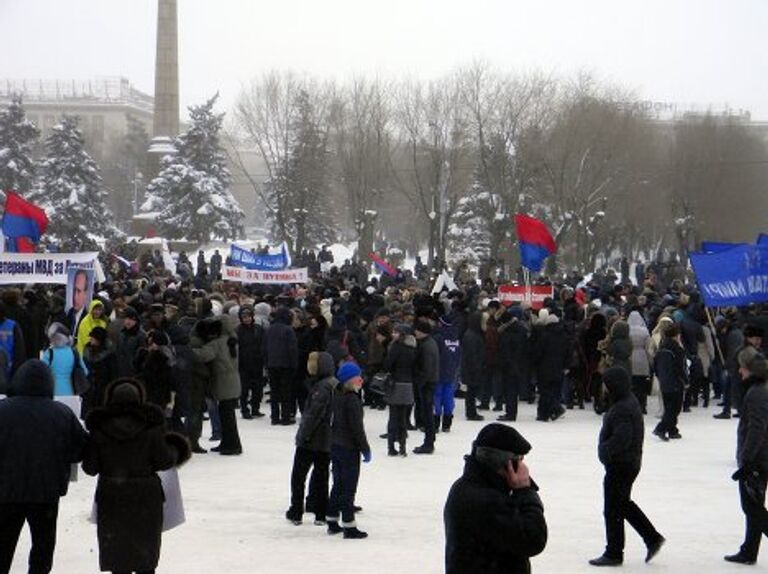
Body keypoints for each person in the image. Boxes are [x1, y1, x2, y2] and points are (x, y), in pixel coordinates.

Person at [83, 378, 191, 574]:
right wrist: (175, 448)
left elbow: (90, 468)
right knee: (145, 556)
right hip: (146, 499)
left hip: (111, 497)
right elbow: (164, 462)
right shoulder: (151, 427)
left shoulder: (99, 429)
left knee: (117, 556)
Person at [0, 360, 88, 574]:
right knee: (42, 548)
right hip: (46, 494)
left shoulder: (2, 411)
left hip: (6, 492)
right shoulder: (62, 413)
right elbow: (80, 450)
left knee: (2, 547)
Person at [444, 423, 547, 574]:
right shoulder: (487, 500)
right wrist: (525, 491)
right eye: (519, 459)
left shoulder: (466, 486)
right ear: (507, 463)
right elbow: (533, 540)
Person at [589, 367, 665, 566]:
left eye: (606, 384)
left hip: (622, 464)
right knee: (622, 504)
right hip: (627, 462)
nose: (603, 388)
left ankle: (614, 552)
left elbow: (622, 438)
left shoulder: (623, 408)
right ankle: (652, 538)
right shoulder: (624, 402)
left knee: (613, 509)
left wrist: (605, 450)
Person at [726, 353, 768, 564]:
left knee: (753, 508)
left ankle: (749, 550)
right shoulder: (759, 390)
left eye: (743, 368)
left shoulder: (756, 393)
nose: (740, 371)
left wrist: (748, 460)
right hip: (760, 458)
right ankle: (749, 550)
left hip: (757, 461)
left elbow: (756, 429)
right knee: (754, 506)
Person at [286, 352, 336, 525]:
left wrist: (302, 435)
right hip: (326, 440)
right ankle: (320, 513)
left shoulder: (321, 387)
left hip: (312, 440)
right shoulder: (332, 384)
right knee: (321, 477)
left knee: (299, 476)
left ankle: (296, 511)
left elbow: (313, 415)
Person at [326, 362, 371, 539]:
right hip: (348, 448)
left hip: (335, 446)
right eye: (358, 377)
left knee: (337, 484)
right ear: (349, 381)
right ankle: (349, 525)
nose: (361, 380)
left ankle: (331, 519)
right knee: (348, 487)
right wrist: (365, 449)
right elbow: (357, 429)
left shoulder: (336, 395)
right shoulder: (352, 399)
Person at [193, 315, 243, 455]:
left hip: (223, 383)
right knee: (229, 416)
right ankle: (229, 443)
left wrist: (187, 349)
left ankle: (232, 446)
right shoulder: (232, 340)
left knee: (226, 417)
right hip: (233, 382)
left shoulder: (218, 343)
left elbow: (203, 355)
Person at [383, 323, 416, 456]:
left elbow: (388, 365)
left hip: (396, 383)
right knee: (403, 417)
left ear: (401, 334)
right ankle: (403, 446)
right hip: (408, 385)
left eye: (396, 332)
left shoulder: (396, 347)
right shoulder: (412, 348)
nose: (393, 334)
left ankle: (391, 447)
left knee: (393, 416)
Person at [652, 323, 687, 441]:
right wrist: (685, 380)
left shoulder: (661, 348)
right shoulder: (677, 350)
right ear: (676, 335)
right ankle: (661, 428)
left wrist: (659, 376)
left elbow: (655, 365)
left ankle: (672, 429)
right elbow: (681, 367)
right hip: (675, 382)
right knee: (674, 408)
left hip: (664, 381)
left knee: (669, 407)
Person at [265, 306, 299, 425]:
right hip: (286, 365)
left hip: (272, 364)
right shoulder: (288, 330)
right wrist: (295, 364)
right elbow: (292, 349)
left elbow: (264, 347)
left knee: (274, 392)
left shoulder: (269, 329)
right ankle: (285, 417)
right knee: (286, 392)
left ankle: (274, 417)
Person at [413, 319, 440, 454]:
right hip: (430, 381)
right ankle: (430, 439)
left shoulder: (426, 346)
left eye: (417, 329)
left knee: (427, 413)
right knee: (427, 412)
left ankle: (429, 442)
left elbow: (427, 368)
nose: (415, 332)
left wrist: (420, 382)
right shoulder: (430, 342)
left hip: (427, 383)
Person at [236, 305, 265, 419]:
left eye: (248, 316)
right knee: (244, 390)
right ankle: (245, 410)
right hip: (243, 364)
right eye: (244, 317)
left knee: (257, 388)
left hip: (257, 363)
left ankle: (255, 408)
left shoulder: (258, 328)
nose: (247, 319)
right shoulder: (238, 330)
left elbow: (263, 343)